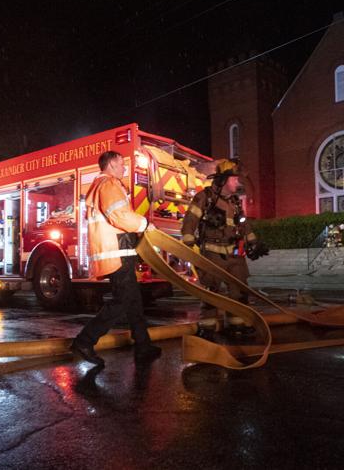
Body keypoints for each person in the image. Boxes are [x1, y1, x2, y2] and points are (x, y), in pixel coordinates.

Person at [70, 151, 161, 367]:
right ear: (111, 165)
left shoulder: (101, 185)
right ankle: (84, 341)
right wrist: (144, 225)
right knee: (123, 301)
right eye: (121, 164)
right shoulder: (108, 184)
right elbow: (119, 216)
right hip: (117, 253)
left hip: (118, 252)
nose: (124, 168)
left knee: (133, 300)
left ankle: (143, 346)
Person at [181, 158, 267, 337]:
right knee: (211, 293)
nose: (238, 182)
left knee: (239, 290)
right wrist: (188, 246)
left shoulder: (235, 202)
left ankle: (237, 324)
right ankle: (207, 327)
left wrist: (253, 242)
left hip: (234, 255)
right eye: (234, 179)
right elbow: (190, 220)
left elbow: (243, 224)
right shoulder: (205, 197)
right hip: (212, 254)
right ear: (223, 180)